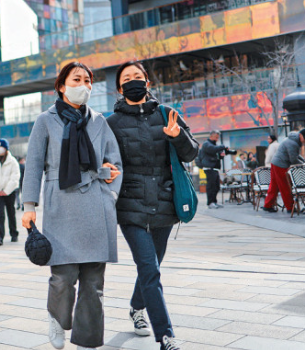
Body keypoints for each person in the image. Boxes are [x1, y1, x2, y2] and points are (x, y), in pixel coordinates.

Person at [21, 61, 122, 350]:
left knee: (93, 283)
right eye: (77, 80)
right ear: (62, 85)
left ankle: (88, 341)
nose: (84, 86)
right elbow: (34, 166)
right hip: (60, 204)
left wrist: (110, 192)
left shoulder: (99, 121)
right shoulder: (45, 120)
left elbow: (115, 164)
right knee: (63, 277)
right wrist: (29, 205)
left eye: (88, 81)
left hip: (96, 205)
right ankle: (57, 317)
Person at [107, 61, 198, 350]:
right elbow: (104, 161)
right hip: (130, 207)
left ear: (147, 82)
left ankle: (136, 308)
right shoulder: (111, 124)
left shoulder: (167, 114)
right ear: (120, 89)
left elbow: (192, 151)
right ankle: (166, 336)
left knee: (151, 267)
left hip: (164, 203)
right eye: (127, 79)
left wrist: (178, 136)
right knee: (149, 267)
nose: (134, 81)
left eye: (138, 77)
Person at [262, 129, 305, 213]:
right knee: (285, 186)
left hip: (275, 163)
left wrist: (303, 161)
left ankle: (267, 205)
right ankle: (290, 207)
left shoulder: (292, 140)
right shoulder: (293, 143)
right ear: (300, 135)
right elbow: (293, 159)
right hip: (281, 165)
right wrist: (304, 165)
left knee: (274, 186)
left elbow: (296, 155)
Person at [0, 138, 21, 246]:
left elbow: (15, 177)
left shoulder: (13, 162)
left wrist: (6, 190)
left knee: (11, 212)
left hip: (10, 192)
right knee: (0, 214)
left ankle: (14, 234)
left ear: (6, 148)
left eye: (0, 147)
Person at [201, 130, 230, 209]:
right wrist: (223, 146)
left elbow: (217, 154)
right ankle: (210, 203)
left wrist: (221, 155)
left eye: (218, 137)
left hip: (215, 168)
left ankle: (214, 202)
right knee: (211, 186)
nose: (217, 139)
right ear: (212, 136)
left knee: (216, 186)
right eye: (216, 137)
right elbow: (212, 149)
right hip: (209, 168)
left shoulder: (215, 145)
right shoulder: (206, 144)